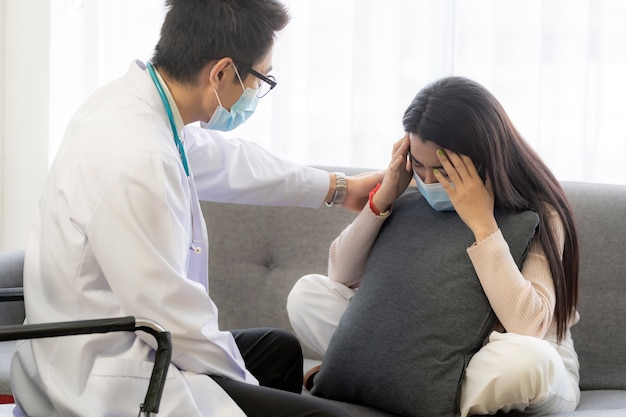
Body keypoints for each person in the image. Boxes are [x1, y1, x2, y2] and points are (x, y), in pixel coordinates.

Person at [11, 1, 382, 416]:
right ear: (222, 72)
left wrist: (338, 188)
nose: (259, 91)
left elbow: (227, 161)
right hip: (103, 376)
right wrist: (248, 389)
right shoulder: (138, 157)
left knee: (278, 350)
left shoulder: (139, 108)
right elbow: (174, 319)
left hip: (106, 342)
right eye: (262, 78)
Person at [287, 76, 581, 416]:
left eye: (442, 169)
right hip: (423, 345)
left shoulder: (540, 212)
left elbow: (529, 326)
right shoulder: (412, 194)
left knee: (527, 361)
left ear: (483, 157)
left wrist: (483, 223)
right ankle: (402, 381)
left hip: (500, 357)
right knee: (308, 294)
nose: (428, 181)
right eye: (420, 166)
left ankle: (397, 383)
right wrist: (385, 197)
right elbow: (340, 275)